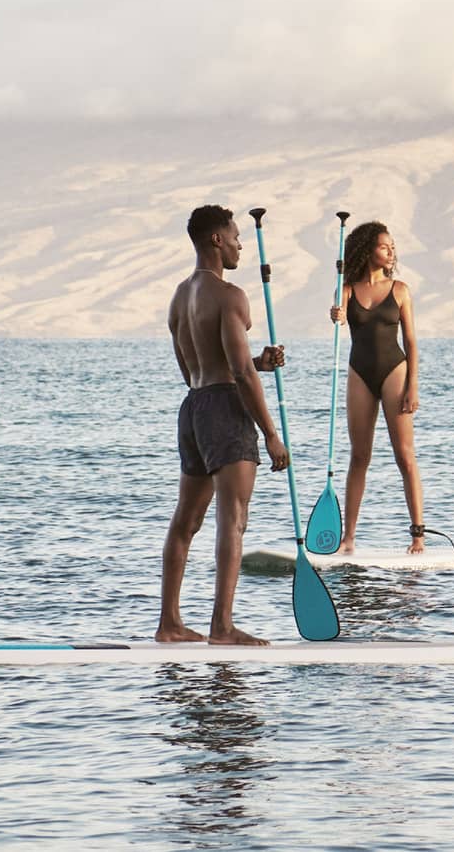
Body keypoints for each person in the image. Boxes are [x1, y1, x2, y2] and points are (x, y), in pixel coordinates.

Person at [157, 204, 289, 645]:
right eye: (235, 236)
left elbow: (197, 369)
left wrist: (256, 362)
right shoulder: (230, 296)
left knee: (185, 522)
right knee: (232, 520)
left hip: (193, 407)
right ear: (216, 239)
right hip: (225, 412)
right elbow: (239, 373)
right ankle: (223, 627)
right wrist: (271, 434)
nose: (239, 245)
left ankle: (169, 624)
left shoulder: (178, 298)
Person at [328, 220, 426, 554]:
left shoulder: (400, 289)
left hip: (394, 371)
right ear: (368, 250)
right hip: (359, 372)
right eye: (385, 246)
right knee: (359, 456)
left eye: (392, 247)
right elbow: (340, 316)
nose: (391, 251)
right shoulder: (349, 287)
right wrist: (337, 314)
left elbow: (411, 341)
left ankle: (417, 535)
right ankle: (349, 538)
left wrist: (413, 385)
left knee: (404, 455)